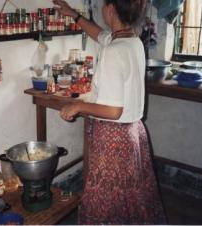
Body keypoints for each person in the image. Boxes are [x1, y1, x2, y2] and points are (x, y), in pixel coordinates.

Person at [53, 0, 166, 224]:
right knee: (130, 199)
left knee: (105, 203)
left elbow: (114, 110)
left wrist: (79, 105)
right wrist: (73, 15)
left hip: (113, 138)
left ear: (110, 9)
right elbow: (100, 35)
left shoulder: (115, 51)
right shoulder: (132, 41)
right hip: (132, 133)